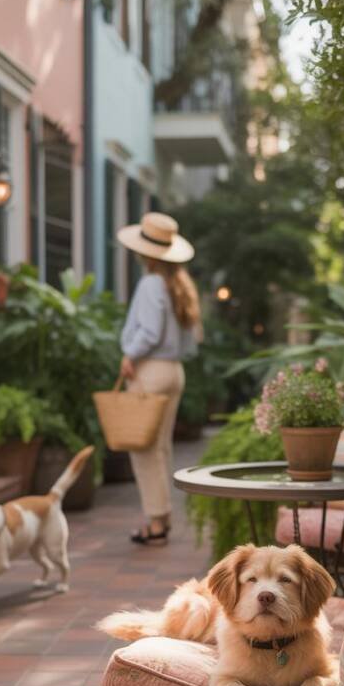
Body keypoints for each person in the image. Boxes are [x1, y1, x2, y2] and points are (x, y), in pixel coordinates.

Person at [117, 211, 201, 545]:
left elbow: (149, 332)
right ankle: (161, 517)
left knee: (144, 449)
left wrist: (129, 355)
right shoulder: (179, 284)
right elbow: (191, 340)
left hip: (151, 370)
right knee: (160, 448)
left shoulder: (152, 283)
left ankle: (155, 522)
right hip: (174, 371)